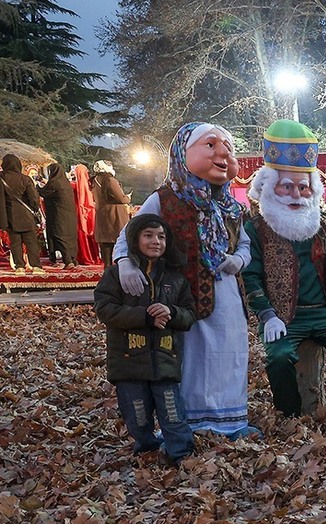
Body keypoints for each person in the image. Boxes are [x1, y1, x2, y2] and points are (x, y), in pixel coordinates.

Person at [112, 123, 255, 438]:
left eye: (227, 147)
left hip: (227, 293)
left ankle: (227, 419)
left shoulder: (231, 205)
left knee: (228, 353)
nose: (223, 153)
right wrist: (125, 263)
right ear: (183, 152)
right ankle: (185, 420)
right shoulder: (165, 199)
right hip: (181, 295)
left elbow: (245, 244)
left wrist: (238, 260)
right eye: (210, 145)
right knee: (187, 355)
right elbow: (131, 233)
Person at [242, 120, 326, 419]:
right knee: (279, 358)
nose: (296, 194)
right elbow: (249, 274)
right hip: (284, 316)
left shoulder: (322, 224)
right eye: (287, 186)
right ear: (269, 187)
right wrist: (267, 314)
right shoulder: (257, 227)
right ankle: (289, 414)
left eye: (303, 187)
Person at [93, 214, 197, 465]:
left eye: (161, 237)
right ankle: (147, 448)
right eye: (148, 235)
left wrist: (171, 313)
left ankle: (180, 454)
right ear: (135, 239)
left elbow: (189, 314)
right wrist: (144, 317)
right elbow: (105, 310)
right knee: (137, 415)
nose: (155, 242)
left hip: (164, 360)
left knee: (172, 412)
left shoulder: (175, 278)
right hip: (129, 362)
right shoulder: (116, 275)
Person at [2, 154, 43, 272]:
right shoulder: (25, 179)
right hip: (26, 215)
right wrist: (34, 208)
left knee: (15, 243)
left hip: (10, 216)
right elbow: (34, 199)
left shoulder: (2, 178)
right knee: (31, 243)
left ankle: (19, 267)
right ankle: (36, 266)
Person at [92, 161, 131, 267]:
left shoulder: (94, 181)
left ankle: (107, 270)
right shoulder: (110, 180)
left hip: (102, 214)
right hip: (114, 215)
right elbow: (121, 198)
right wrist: (128, 197)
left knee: (106, 244)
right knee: (119, 241)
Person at [39, 162, 78, 268]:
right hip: (69, 216)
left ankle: (67, 261)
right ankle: (73, 259)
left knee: (59, 236)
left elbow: (43, 192)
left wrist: (36, 185)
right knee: (69, 236)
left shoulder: (54, 183)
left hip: (58, 215)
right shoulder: (65, 183)